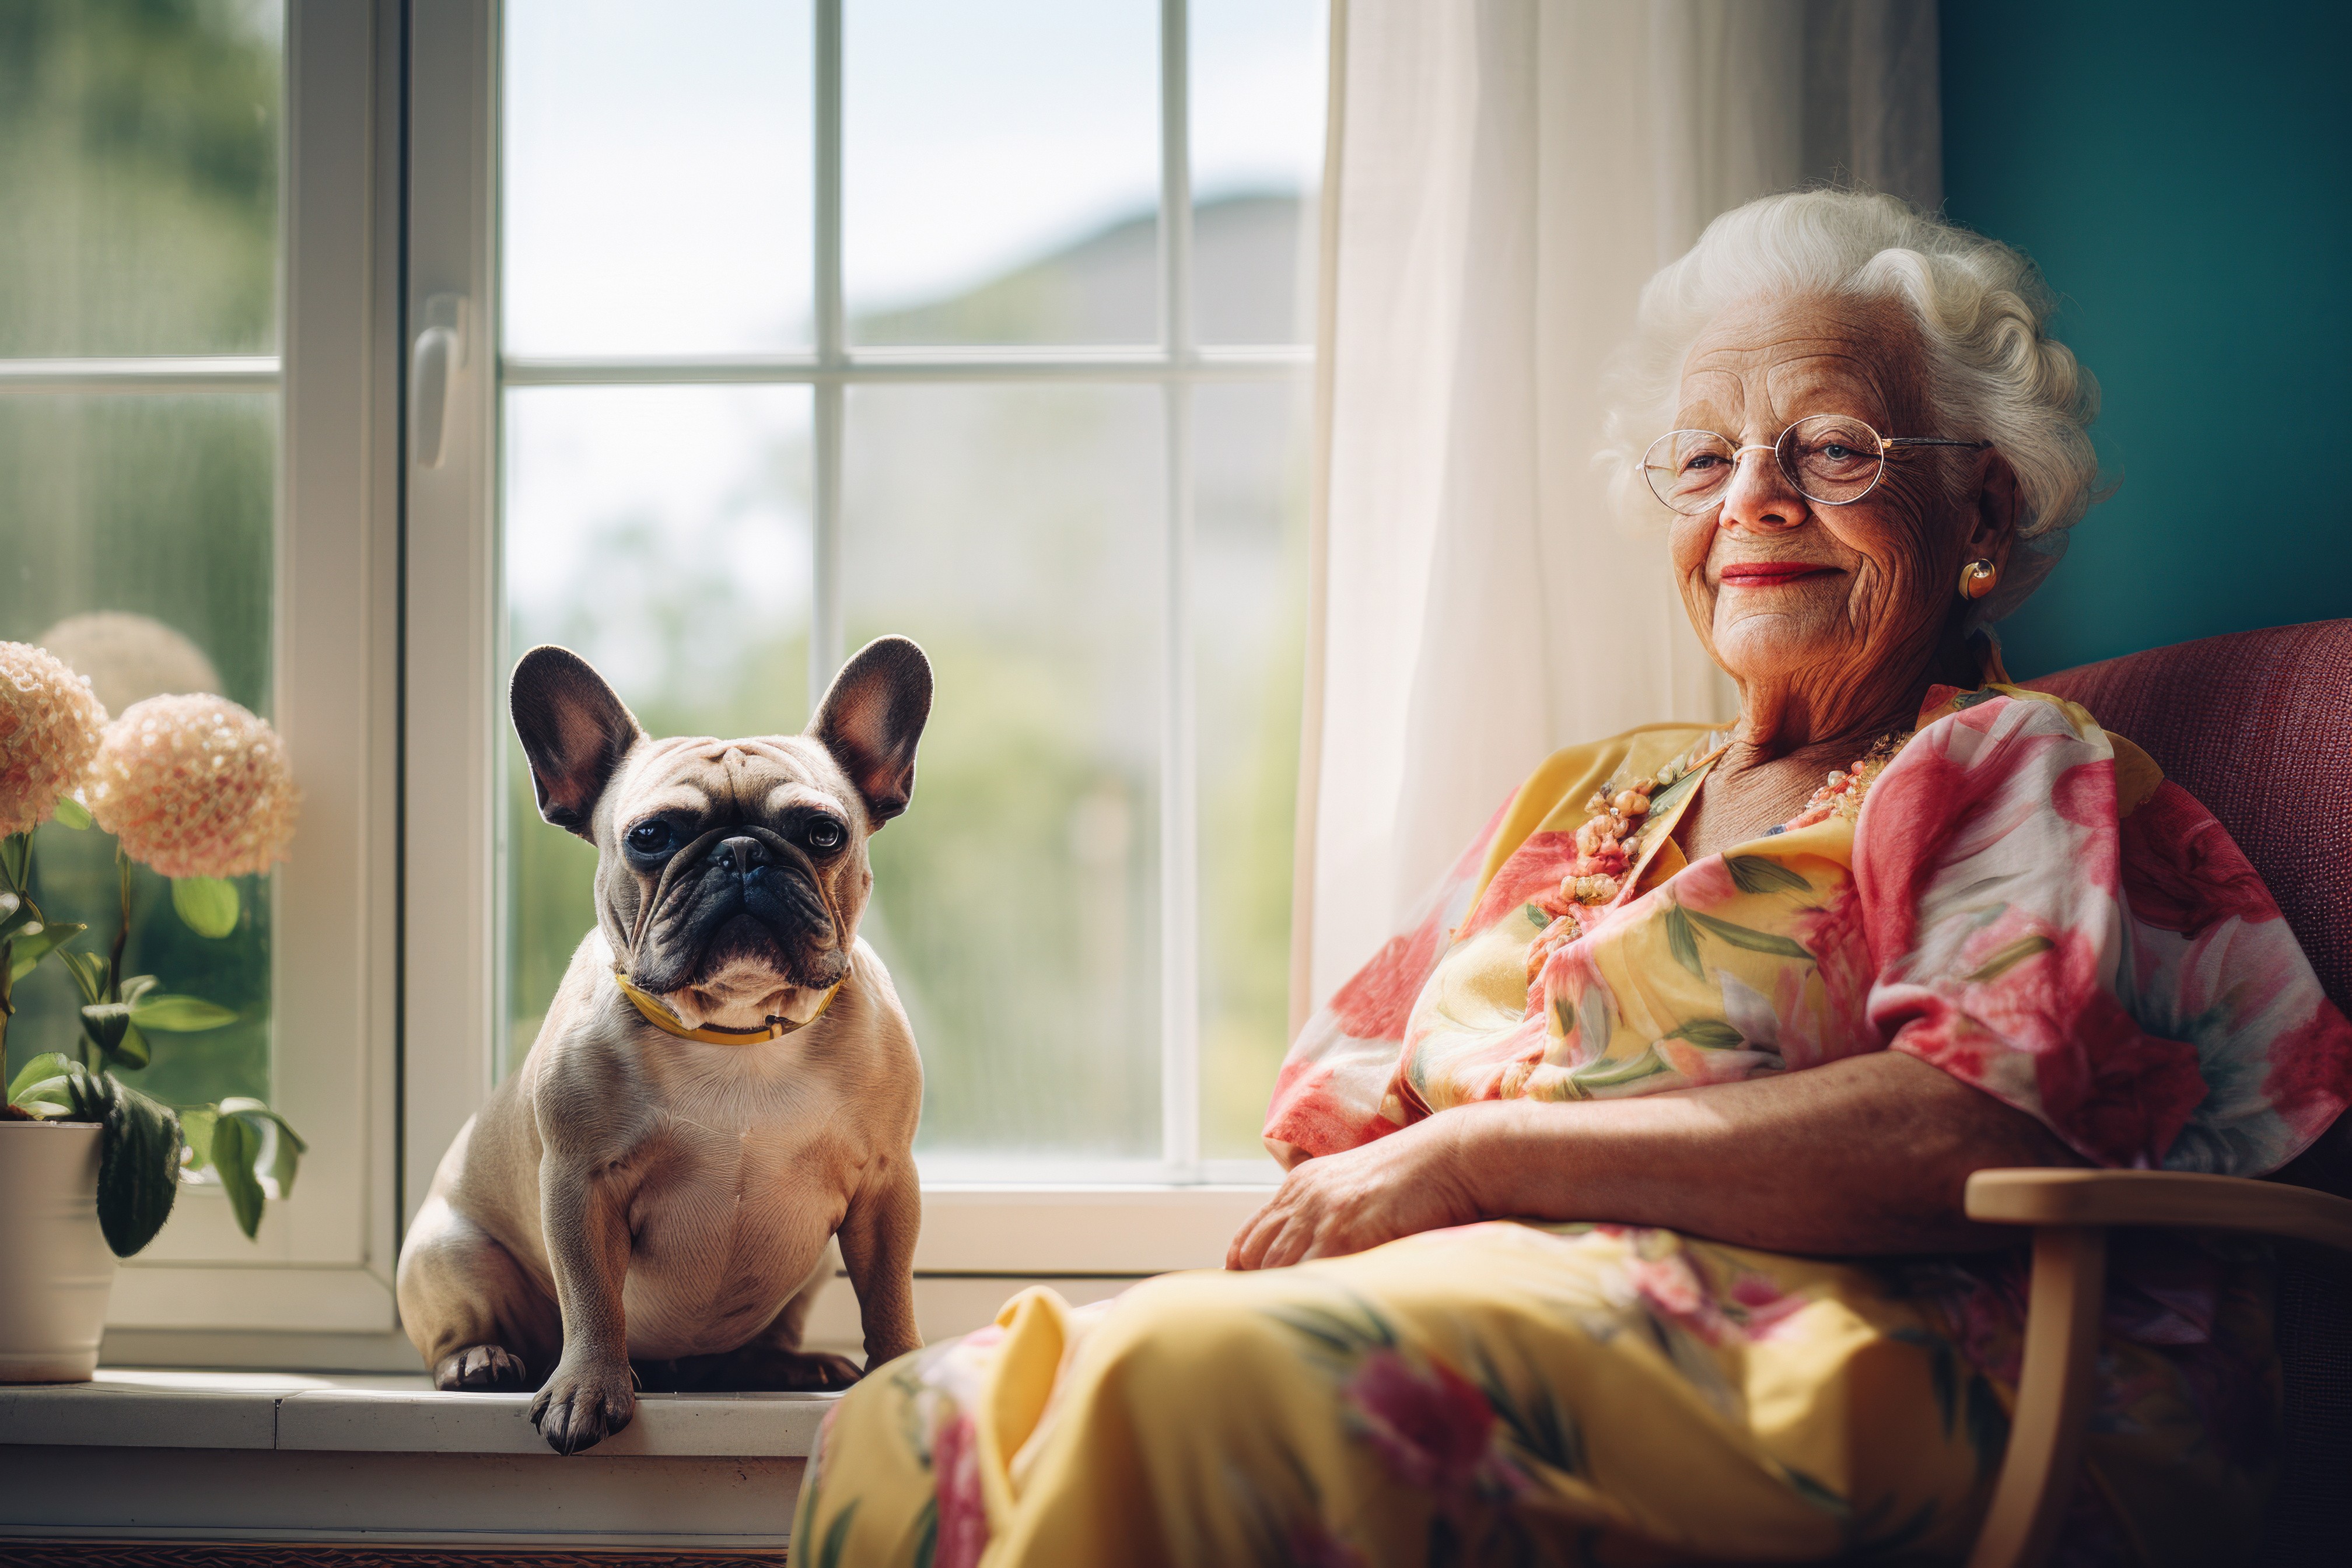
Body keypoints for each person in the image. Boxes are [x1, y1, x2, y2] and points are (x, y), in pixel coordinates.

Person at [793, 190, 2352, 1567]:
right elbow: (1349, 1122)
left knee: (1175, 1389)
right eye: (1707, 455)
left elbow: (1979, 1120)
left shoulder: (2016, 766)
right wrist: (1412, 1193)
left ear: (1983, 510)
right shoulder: (1589, 795)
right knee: (928, 1410)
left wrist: (1491, 1165)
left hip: (1899, 1355)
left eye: (1831, 445)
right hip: (1527, 1323)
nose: (1753, 498)